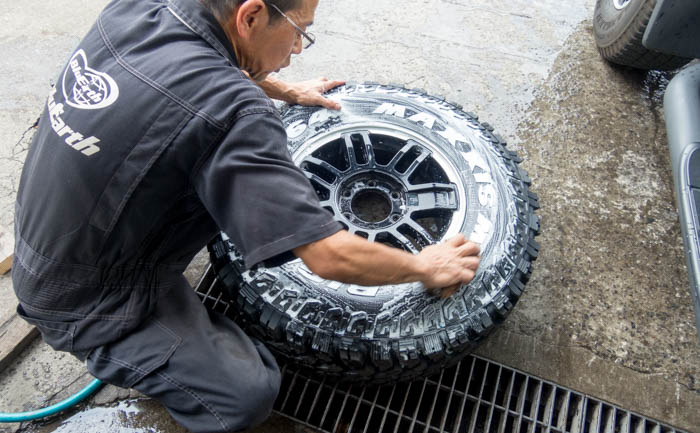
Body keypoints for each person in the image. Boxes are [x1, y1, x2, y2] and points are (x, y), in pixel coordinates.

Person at [12, 0, 481, 431]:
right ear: (252, 15)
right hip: (88, 300)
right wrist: (426, 265)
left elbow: (197, 64)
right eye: (300, 31)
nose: (298, 48)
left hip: (51, 231)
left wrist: (284, 89)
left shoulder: (138, 9)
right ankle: (119, 348)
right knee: (245, 395)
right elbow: (327, 256)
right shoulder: (236, 113)